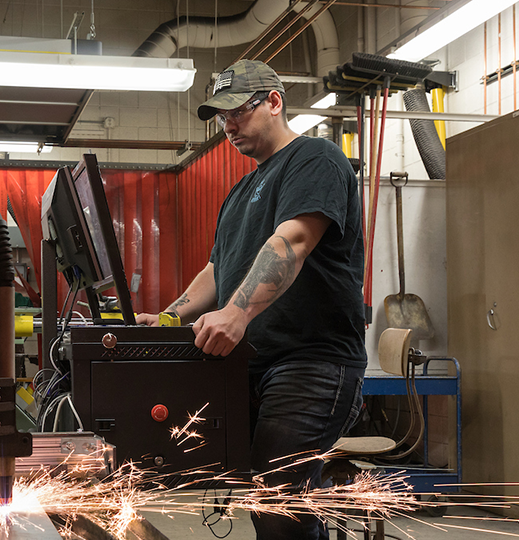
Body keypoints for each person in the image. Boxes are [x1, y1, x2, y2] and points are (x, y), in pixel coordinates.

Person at [136, 59, 367, 539]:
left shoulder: (316, 159)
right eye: (221, 118)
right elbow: (220, 270)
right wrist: (166, 319)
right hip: (253, 364)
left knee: (277, 503)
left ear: (275, 102)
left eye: (236, 111)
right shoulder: (241, 190)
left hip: (311, 363)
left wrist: (237, 314)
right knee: (268, 497)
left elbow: (294, 240)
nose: (228, 125)